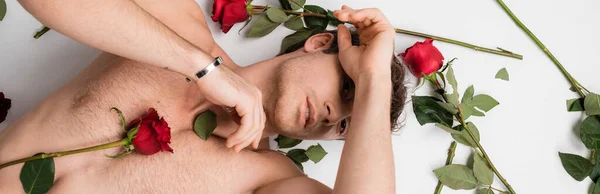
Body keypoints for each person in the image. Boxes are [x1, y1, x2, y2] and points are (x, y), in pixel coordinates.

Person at [0, 0, 406, 193]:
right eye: (348, 85)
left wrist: (373, 82)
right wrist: (199, 64)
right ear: (318, 43)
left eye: (346, 126)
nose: (334, 114)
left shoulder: (268, 180)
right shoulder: (179, 24)